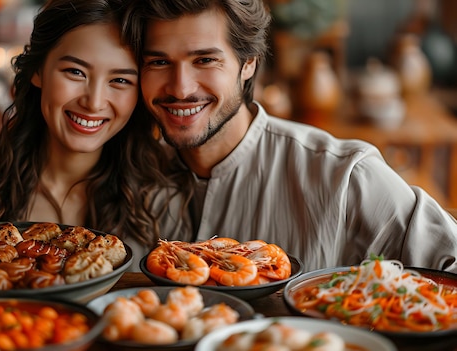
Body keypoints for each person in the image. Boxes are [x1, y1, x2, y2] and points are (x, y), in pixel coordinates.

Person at [122, 0, 457, 273]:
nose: (181, 87)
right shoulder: (125, 173)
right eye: (159, 62)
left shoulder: (344, 176)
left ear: (249, 62)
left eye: (205, 60)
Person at [0, 0, 191, 268]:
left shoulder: (163, 201)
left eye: (120, 80)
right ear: (38, 71)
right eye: (75, 72)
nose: (94, 102)